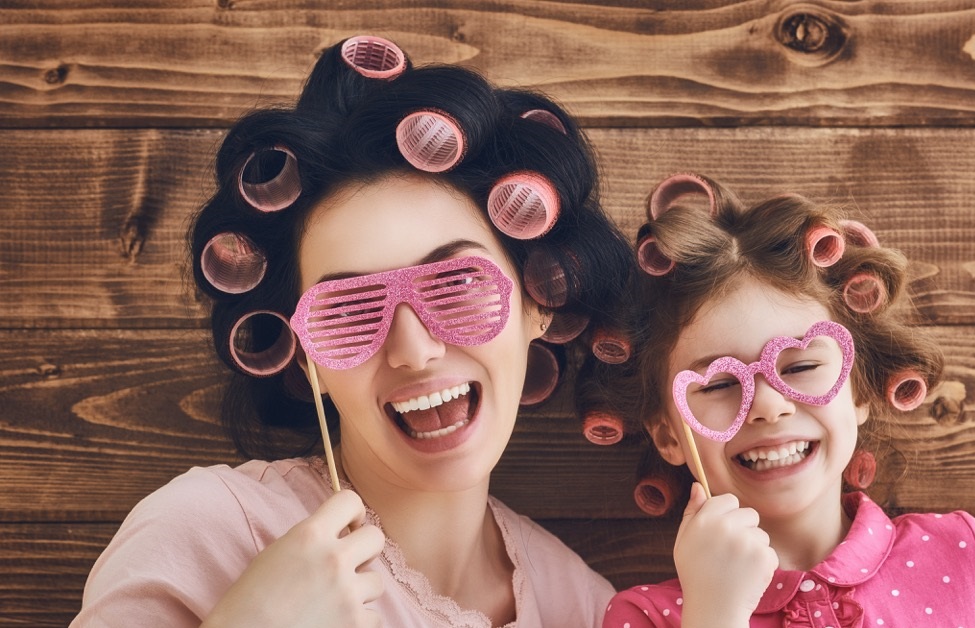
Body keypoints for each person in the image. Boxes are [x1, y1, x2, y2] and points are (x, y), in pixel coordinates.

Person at [73, 35, 633, 627]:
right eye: (346, 310)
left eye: (455, 284)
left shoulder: (585, 603)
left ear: (538, 299)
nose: (414, 350)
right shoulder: (208, 532)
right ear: (302, 359)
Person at [580, 173, 975, 627]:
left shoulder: (971, 560)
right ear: (669, 434)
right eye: (720, 385)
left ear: (861, 388)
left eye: (802, 366)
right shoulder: (647, 617)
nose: (769, 406)